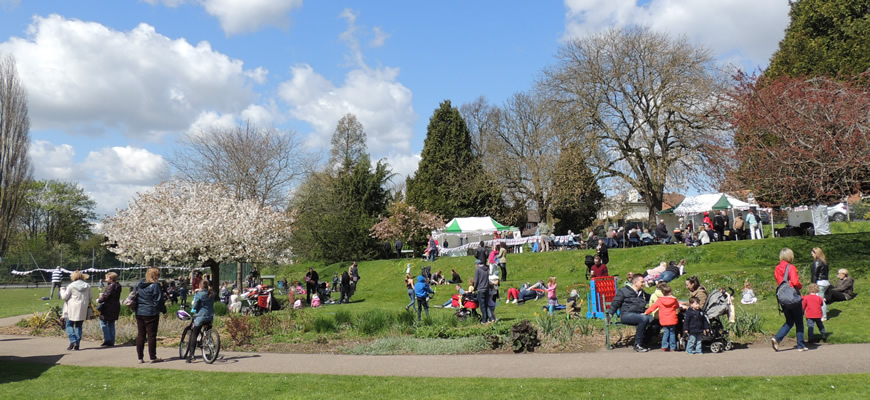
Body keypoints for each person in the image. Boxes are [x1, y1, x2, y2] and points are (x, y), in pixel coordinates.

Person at [771, 247, 806, 352]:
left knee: (789, 321)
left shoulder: (777, 268)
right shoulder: (791, 267)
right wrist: (800, 286)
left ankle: (777, 338)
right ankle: (800, 345)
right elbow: (795, 282)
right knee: (799, 321)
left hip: (783, 297)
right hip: (792, 296)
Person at [607, 274, 653, 352]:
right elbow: (615, 303)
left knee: (657, 321)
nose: (643, 284)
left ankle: (643, 341)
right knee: (644, 318)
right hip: (626, 315)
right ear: (635, 282)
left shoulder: (642, 293)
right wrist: (609, 315)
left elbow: (653, 297)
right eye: (642, 282)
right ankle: (638, 345)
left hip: (640, 315)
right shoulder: (624, 291)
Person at [136, 267, 167, 363]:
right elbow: (159, 301)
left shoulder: (140, 285)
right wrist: (164, 311)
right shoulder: (155, 286)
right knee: (151, 335)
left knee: (141, 334)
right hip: (151, 312)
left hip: (140, 311)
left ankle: (140, 357)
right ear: (156, 275)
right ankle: (152, 357)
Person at [61, 270, 91, 351]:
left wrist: (62, 291)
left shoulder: (71, 286)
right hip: (82, 307)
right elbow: (90, 297)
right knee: (79, 325)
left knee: (69, 324)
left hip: (72, 307)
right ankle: (77, 343)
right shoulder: (87, 285)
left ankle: (73, 339)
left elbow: (64, 297)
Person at [186, 280, 215, 363]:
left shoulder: (199, 294)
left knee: (194, 334)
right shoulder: (212, 294)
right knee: (208, 332)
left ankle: (191, 355)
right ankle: (211, 349)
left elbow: (195, 306)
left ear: (200, 286)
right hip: (210, 316)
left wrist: (196, 295)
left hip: (200, 316)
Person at [644, 283, 680, 352]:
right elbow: (677, 307)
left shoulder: (660, 300)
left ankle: (664, 346)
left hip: (664, 319)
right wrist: (678, 311)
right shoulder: (674, 300)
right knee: (672, 333)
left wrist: (646, 312)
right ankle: (672, 347)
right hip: (672, 318)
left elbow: (653, 307)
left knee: (666, 332)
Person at [98, 272, 121, 347]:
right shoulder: (118, 285)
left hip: (108, 307)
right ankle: (112, 340)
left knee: (103, 322)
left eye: (107, 277)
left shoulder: (111, 286)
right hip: (115, 306)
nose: (105, 279)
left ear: (110, 278)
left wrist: (99, 300)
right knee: (111, 323)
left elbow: (106, 296)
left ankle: (108, 339)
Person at [810, 247, 830, 321]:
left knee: (820, 300)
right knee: (821, 299)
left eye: (813, 254)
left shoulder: (817, 262)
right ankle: (820, 314)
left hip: (819, 282)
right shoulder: (825, 262)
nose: (812, 255)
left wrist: (812, 284)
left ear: (816, 254)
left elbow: (814, 274)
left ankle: (823, 316)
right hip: (825, 282)